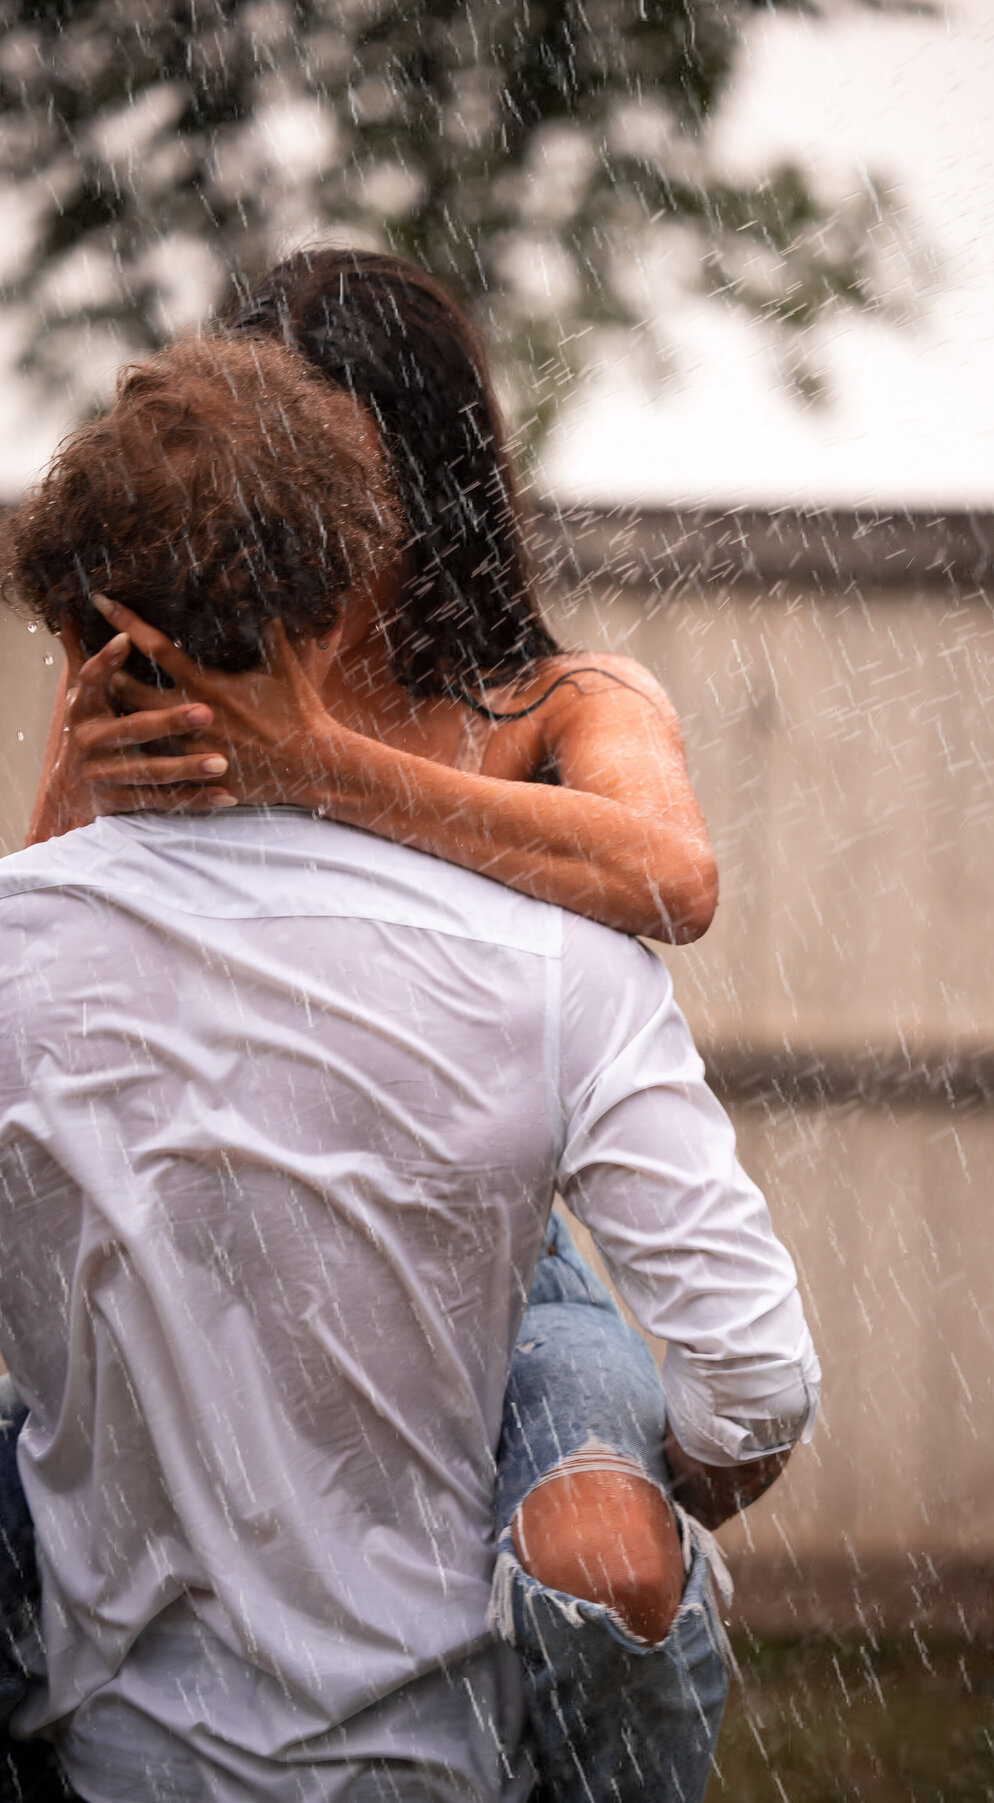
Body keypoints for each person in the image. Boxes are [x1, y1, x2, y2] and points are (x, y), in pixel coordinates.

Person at [0, 332, 821, 1800]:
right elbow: (756, 1386)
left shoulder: (552, 702)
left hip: (109, 1761)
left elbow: (672, 873)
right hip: (435, 1760)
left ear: (76, 609)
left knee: (590, 1530)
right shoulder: (555, 971)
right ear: (341, 583)